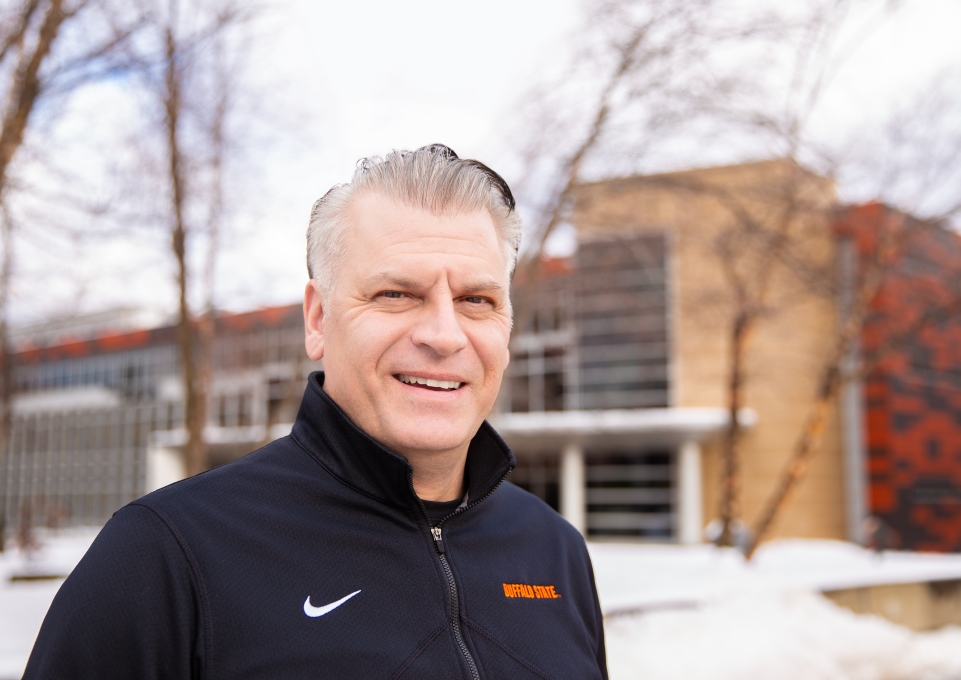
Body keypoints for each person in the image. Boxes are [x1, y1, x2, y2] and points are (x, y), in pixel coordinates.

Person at [24, 144, 608, 679]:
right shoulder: (165, 556)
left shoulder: (553, 549)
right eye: (396, 294)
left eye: (476, 300)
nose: (444, 335)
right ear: (318, 319)